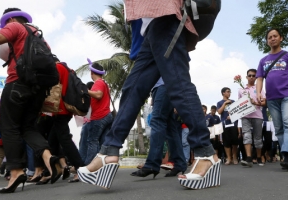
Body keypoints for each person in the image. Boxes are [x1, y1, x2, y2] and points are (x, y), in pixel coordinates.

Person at [78, 1, 220, 190]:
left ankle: (206, 152)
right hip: (150, 26)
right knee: (132, 89)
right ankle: (108, 152)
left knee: (178, 85)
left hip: (165, 15)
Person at [0, 8, 62, 193]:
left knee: (8, 127)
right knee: (28, 128)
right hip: (38, 89)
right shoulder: (39, 36)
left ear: (12, 19)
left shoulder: (14, 26)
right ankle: (49, 159)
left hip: (17, 84)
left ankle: (15, 171)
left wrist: (2, 30)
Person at [131, 78, 186, 178]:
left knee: (157, 121)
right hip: (164, 87)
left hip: (163, 86)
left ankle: (152, 164)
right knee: (170, 128)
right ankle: (179, 163)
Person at [256, 28, 288, 171]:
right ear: (267, 41)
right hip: (272, 98)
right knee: (278, 129)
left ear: (281, 38)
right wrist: (259, 93)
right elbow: (259, 78)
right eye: (270, 37)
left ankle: (287, 156)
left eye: (275, 36)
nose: (272, 38)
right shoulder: (263, 60)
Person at [84, 62, 113, 165]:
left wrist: (85, 91)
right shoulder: (104, 83)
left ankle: (89, 165)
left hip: (99, 117)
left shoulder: (98, 83)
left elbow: (98, 95)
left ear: (92, 72)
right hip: (106, 115)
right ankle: (104, 164)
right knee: (103, 142)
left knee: (92, 141)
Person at [239, 69, 266, 167]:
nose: (251, 77)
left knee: (258, 138)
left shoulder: (259, 89)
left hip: (257, 116)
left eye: (253, 75)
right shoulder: (241, 90)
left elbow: (264, 103)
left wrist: (255, 103)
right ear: (246, 77)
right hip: (245, 116)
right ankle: (249, 158)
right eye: (249, 75)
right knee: (246, 136)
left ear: (256, 78)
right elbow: (239, 105)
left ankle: (258, 157)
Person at [217, 87, 239, 165]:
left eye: (230, 92)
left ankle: (235, 157)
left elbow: (237, 112)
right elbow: (219, 112)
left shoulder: (233, 101)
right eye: (227, 92)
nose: (229, 93)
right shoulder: (219, 102)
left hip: (233, 123)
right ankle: (229, 158)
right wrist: (225, 103)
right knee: (226, 142)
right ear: (223, 93)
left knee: (234, 141)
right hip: (224, 124)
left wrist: (232, 116)